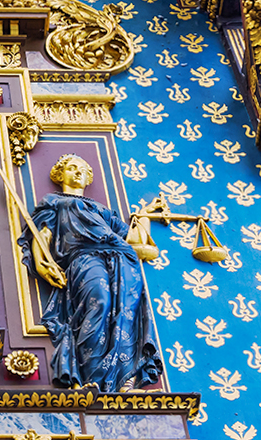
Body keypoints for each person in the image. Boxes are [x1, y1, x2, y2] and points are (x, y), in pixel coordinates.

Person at [18, 155, 161, 391]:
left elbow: (135, 241)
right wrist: (42, 263)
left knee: (126, 315)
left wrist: (143, 215)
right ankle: (93, 376)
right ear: (59, 174)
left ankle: (124, 378)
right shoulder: (54, 201)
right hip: (84, 256)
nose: (77, 173)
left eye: (82, 169)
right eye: (71, 168)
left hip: (123, 259)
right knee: (99, 303)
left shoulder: (103, 210)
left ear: (88, 177)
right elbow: (42, 236)